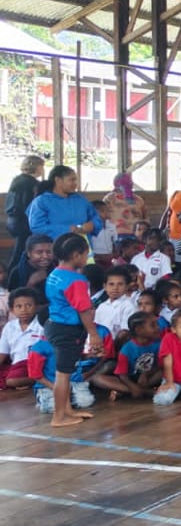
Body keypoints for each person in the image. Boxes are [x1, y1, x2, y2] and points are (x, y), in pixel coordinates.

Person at [42, 233, 102, 427]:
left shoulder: (55, 273)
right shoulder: (76, 280)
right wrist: (93, 334)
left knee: (64, 373)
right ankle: (59, 417)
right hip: (67, 330)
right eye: (86, 254)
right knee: (63, 374)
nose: (86, 258)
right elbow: (84, 310)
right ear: (77, 255)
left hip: (54, 325)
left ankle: (66, 410)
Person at [26, 166, 101, 243]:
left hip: (81, 248)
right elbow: (37, 227)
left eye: (76, 180)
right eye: (72, 180)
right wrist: (67, 229)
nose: (75, 184)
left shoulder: (81, 200)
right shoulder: (41, 201)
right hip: (55, 248)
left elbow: (96, 218)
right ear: (58, 180)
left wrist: (93, 225)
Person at [5, 155, 44, 273]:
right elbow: (30, 206)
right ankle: (13, 278)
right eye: (42, 166)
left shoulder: (17, 180)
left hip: (13, 220)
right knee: (22, 252)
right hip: (25, 222)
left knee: (20, 250)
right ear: (36, 167)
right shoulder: (32, 184)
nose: (42, 170)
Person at [103, 172, 148, 237]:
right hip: (136, 235)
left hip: (116, 234)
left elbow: (103, 217)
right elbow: (146, 218)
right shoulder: (139, 199)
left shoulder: (109, 198)